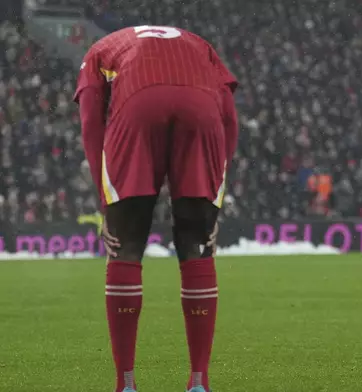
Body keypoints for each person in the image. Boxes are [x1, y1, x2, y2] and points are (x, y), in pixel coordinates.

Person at [74, 25, 239, 392]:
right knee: (197, 245)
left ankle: (126, 384)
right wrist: (212, 196)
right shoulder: (201, 44)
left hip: (137, 103)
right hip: (202, 107)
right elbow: (228, 115)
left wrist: (107, 201)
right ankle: (199, 382)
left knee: (126, 246)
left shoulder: (100, 51)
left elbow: (90, 121)